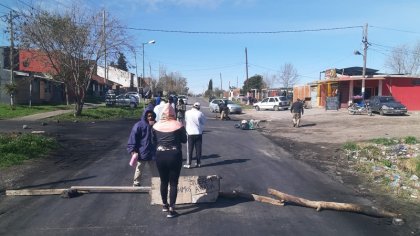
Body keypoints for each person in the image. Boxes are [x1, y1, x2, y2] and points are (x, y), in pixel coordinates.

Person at [152, 104, 187, 218]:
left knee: (163, 181)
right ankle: (172, 208)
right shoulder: (178, 125)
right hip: (174, 155)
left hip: (160, 155)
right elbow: (184, 140)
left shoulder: (156, 126)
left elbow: (153, 141)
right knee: (173, 183)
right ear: (173, 113)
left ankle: (164, 205)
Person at [127, 104, 157, 187]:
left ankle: (157, 183)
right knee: (139, 168)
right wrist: (132, 150)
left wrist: (153, 127)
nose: (150, 117)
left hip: (152, 152)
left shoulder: (156, 125)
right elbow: (133, 138)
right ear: (145, 116)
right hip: (142, 152)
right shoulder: (139, 125)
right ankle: (136, 182)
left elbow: (159, 137)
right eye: (148, 116)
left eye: (151, 116)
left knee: (155, 170)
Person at [184, 102, 206, 168]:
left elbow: (186, 120)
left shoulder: (187, 112)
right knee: (198, 149)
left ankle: (188, 164)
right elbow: (203, 122)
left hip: (190, 133)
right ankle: (198, 163)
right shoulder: (200, 113)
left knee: (189, 149)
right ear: (198, 107)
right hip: (198, 133)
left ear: (193, 106)